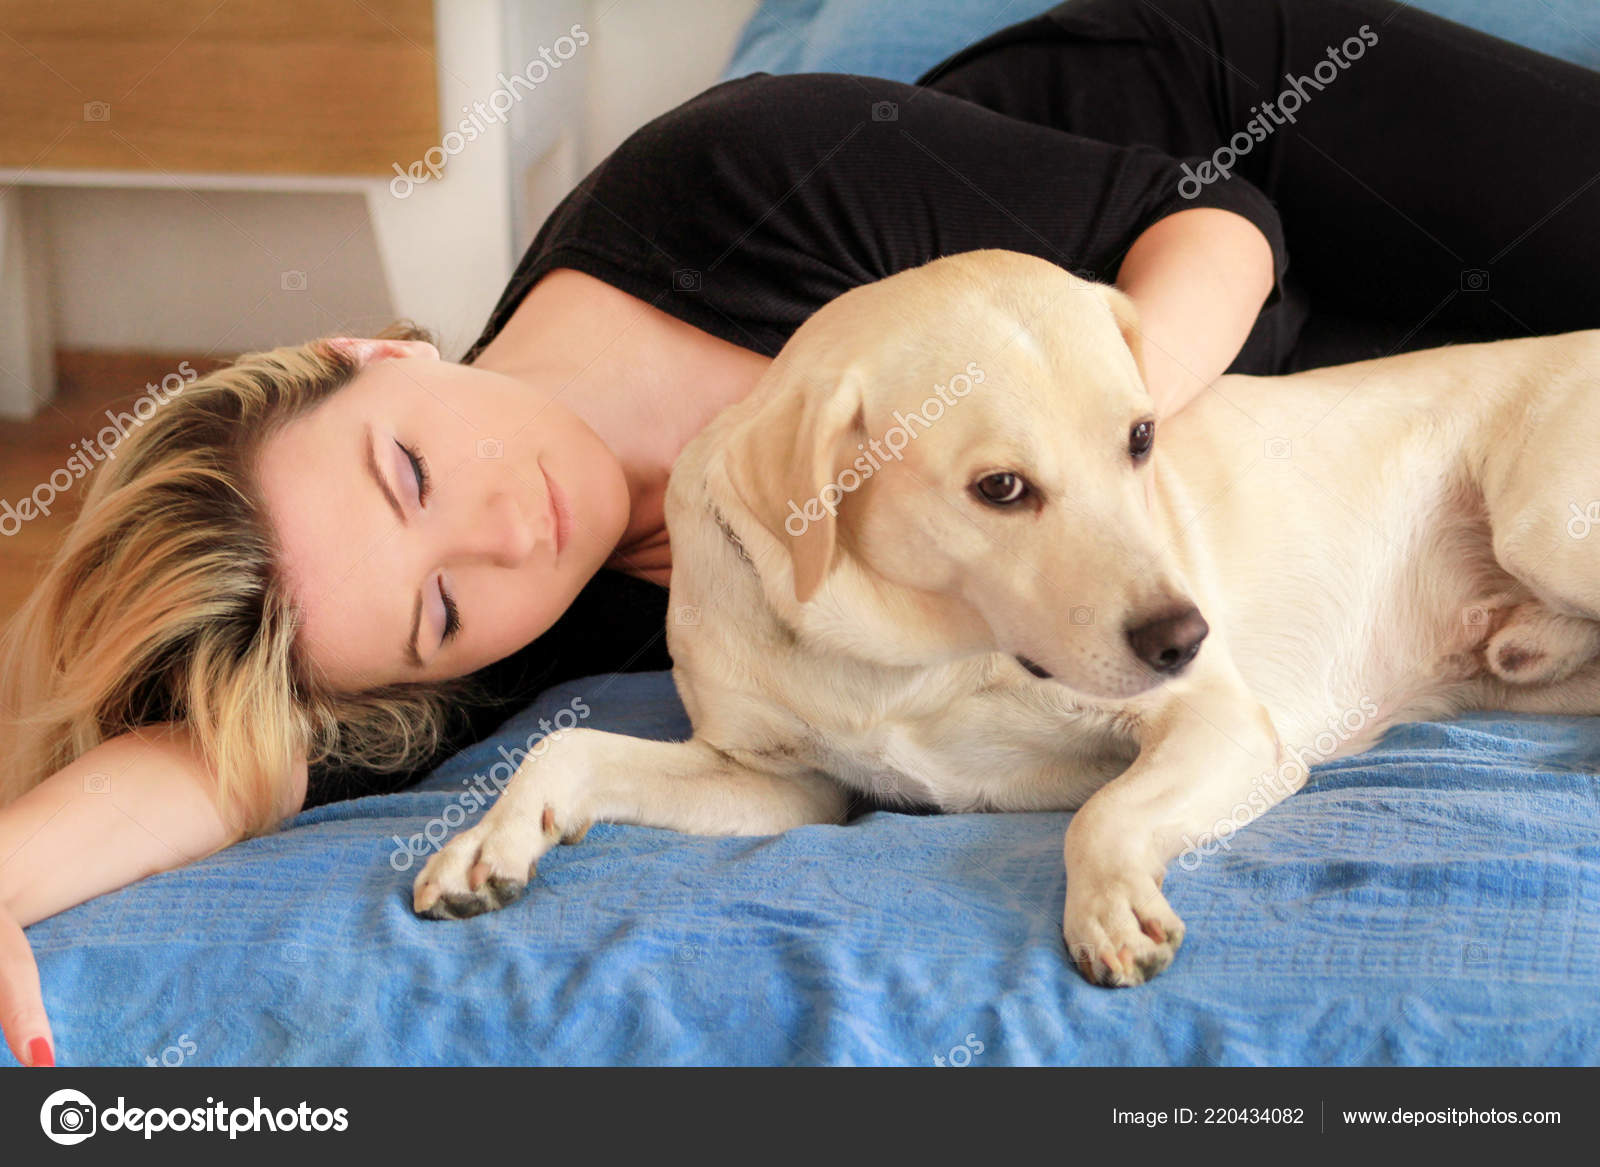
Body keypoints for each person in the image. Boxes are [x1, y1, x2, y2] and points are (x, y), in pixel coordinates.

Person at [2, 0, 1596, 1067]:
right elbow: (226, 762)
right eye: (435, 616)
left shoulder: (726, 181)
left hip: (1244, 166)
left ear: (380, 352)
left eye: (410, 472)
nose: (498, 537)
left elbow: (1224, 230)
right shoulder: (579, 622)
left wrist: (1099, 441)